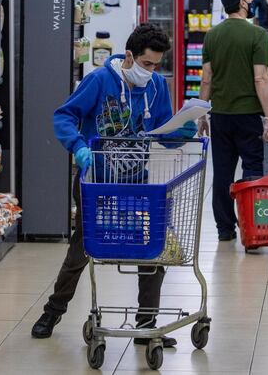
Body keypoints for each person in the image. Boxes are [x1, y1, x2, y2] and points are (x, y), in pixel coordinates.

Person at [31, 24, 197, 345]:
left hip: (137, 181)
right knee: (83, 247)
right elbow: (64, 115)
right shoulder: (99, 80)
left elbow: (162, 129)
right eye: (146, 64)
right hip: (96, 180)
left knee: (151, 250)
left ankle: (146, 324)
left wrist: (182, 131)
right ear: (130, 56)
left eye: (156, 65)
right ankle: (53, 310)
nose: (151, 71)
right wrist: (77, 146)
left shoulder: (156, 87)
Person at [198, 0, 268, 241]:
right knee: (252, 169)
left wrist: (201, 113)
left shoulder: (212, 35)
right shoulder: (257, 35)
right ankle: (251, 223)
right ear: (243, 2)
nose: (251, 2)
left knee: (222, 172)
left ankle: (224, 229)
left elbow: (206, 79)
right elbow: (261, 79)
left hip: (220, 116)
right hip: (248, 116)